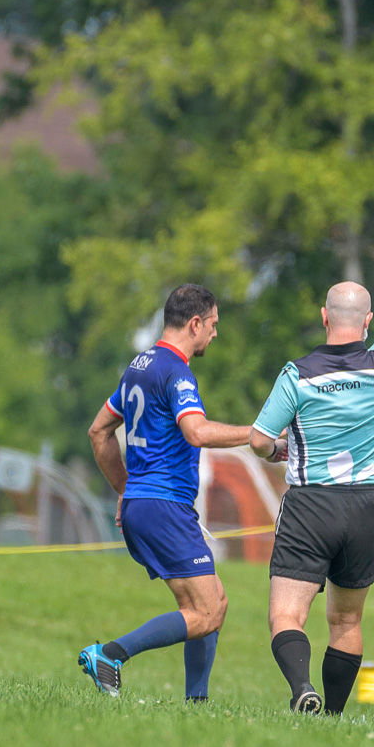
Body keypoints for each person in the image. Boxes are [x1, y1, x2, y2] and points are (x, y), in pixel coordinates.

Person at [248, 229, 374, 714]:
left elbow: (258, 439)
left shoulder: (298, 374)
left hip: (311, 505)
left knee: (288, 614)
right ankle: (331, 714)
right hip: (368, 506)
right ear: (369, 322)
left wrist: (280, 450)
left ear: (324, 317)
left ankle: (301, 689)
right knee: (347, 621)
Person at [78, 285, 275, 700]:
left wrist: (126, 491)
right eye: (214, 325)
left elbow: (99, 432)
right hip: (164, 505)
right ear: (195, 323)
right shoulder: (175, 370)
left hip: (147, 504)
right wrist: (257, 434)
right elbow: (197, 431)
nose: (215, 335)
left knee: (214, 602)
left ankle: (196, 704)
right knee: (205, 612)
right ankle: (110, 655)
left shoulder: (139, 365)